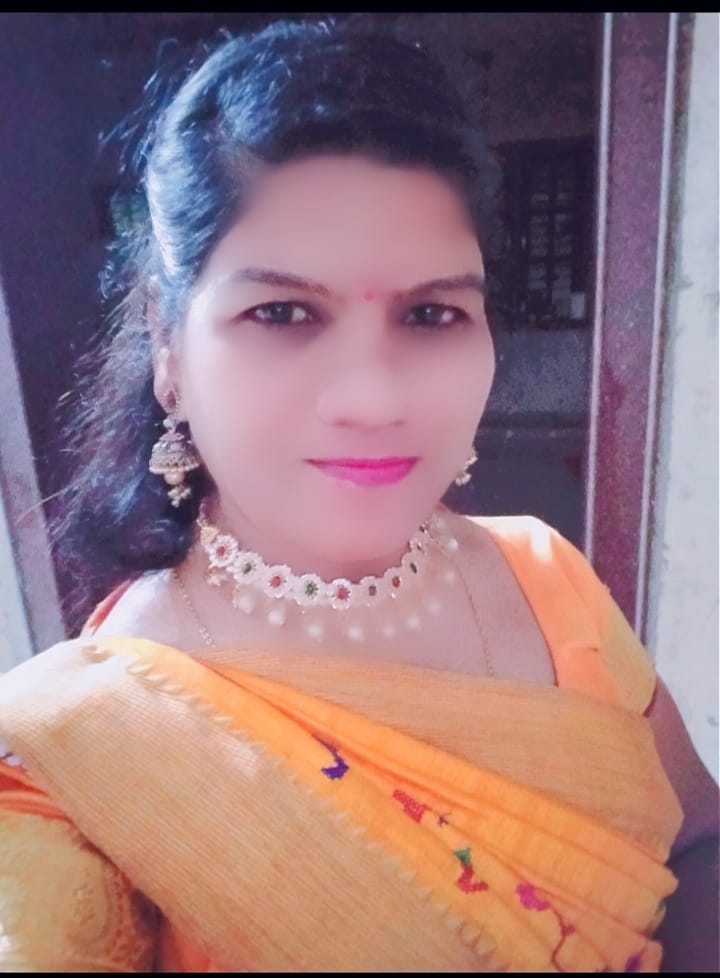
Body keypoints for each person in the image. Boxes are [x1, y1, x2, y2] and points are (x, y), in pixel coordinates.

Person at [0, 15, 717, 973]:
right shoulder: (86, 755)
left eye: (432, 313)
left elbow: (698, 843)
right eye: (282, 312)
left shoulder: (547, 577)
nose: (374, 398)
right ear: (169, 353)